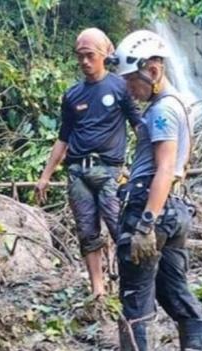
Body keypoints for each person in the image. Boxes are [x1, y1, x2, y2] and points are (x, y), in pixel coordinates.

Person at [111, 30, 202, 351]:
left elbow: (163, 168)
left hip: (152, 211)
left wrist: (145, 223)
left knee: (135, 300)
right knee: (172, 288)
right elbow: (176, 168)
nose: (129, 89)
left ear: (152, 70)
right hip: (173, 212)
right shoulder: (175, 106)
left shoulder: (161, 113)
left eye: (131, 80)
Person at [35, 28, 141, 301]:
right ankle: (98, 289)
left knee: (121, 228)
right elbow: (63, 138)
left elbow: (138, 125)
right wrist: (45, 176)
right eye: (80, 56)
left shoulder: (120, 87)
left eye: (89, 55)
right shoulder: (72, 95)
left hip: (109, 171)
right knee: (87, 231)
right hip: (78, 172)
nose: (84, 61)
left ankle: (134, 286)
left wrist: (151, 162)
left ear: (105, 54)